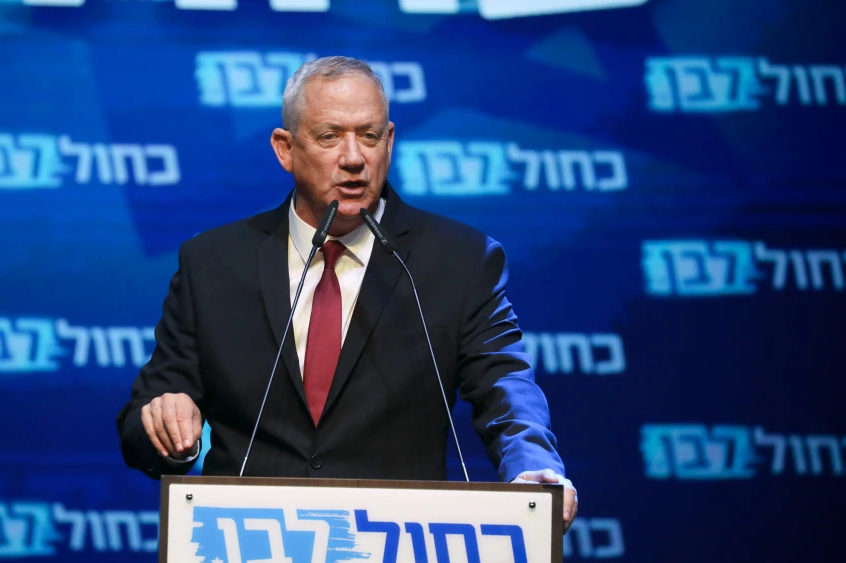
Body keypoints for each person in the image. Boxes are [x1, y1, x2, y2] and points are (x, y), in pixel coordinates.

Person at [116, 56, 578, 530]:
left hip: (396, 539)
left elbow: (504, 382)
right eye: (330, 136)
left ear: (389, 142)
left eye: (369, 136)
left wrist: (531, 465)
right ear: (285, 149)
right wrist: (167, 426)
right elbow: (140, 426)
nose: (354, 157)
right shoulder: (213, 263)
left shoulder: (460, 259)